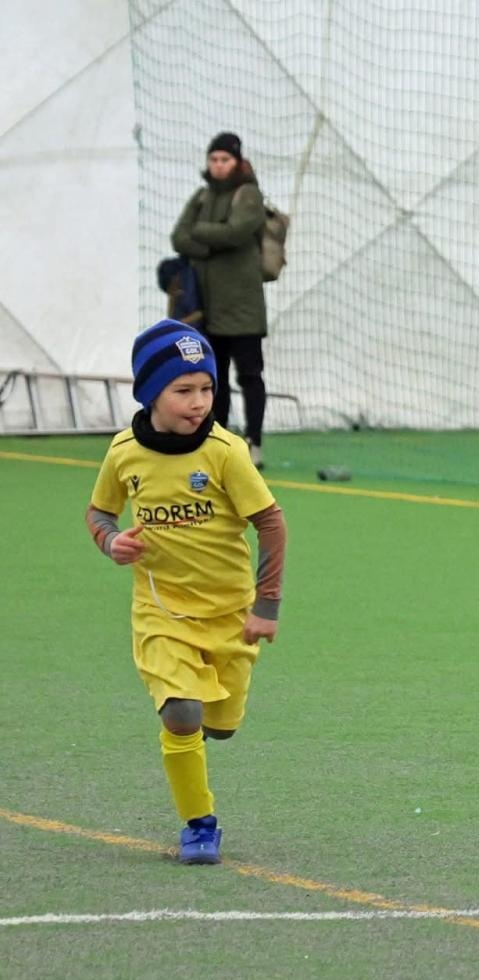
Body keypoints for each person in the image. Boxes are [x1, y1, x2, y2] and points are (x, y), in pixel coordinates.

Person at [84, 319, 288, 864]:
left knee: (220, 728)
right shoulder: (125, 451)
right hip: (161, 611)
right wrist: (110, 541)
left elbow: (271, 523)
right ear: (151, 391)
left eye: (207, 389)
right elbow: (99, 510)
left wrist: (266, 606)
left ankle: (210, 735)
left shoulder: (225, 452)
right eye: (184, 390)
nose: (199, 402)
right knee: (182, 714)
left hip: (231, 614)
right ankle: (200, 825)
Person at [171, 132, 269, 469]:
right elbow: (178, 237)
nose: (218, 166)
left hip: (243, 306)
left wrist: (202, 235)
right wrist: (212, 241)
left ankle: (254, 440)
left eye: (224, 160)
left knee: (250, 375)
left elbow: (237, 231)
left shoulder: (249, 195)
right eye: (213, 159)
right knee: (213, 378)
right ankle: (219, 438)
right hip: (208, 308)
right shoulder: (202, 195)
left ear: (237, 162)